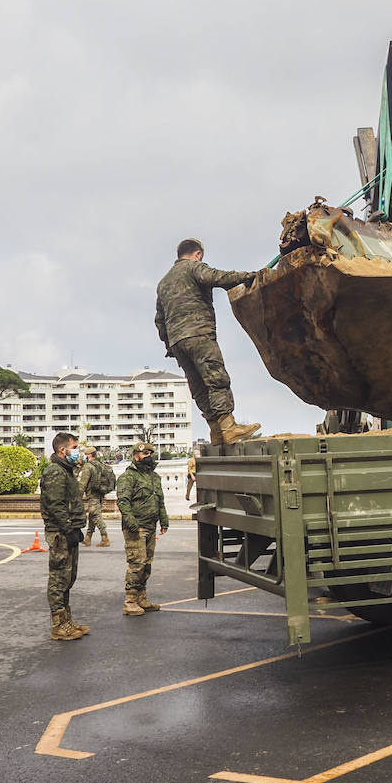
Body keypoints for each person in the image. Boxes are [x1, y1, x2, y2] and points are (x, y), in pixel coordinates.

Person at [155, 238, 261, 445]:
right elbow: (217, 277)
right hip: (199, 333)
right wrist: (248, 276)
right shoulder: (194, 267)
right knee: (216, 378)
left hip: (177, 342)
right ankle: (229, 428)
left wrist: (169, 344)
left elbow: (159, 319)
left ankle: (216, 432)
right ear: (198, 254)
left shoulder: (163, 283)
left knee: (199, 387)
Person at [40, 432, 90, 640]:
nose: (78, 451)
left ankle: (67, 621)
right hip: (60, 533)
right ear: (63, 450)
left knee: (68, 578)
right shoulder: (55, 472)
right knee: (59, 579)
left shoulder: (65, 471)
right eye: (75, 447)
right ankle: (59, 625)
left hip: (68, 530)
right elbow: (55, 504)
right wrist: (67, 529)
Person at [115, 441, 169, 616]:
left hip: (151, 526)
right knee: (136, 564)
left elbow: (160, 500)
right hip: (136, 528)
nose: (149, 456)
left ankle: (141, 597)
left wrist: (164, 520)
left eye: (150, 453)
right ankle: (130, 601)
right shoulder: (128, 477)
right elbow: (123, 502)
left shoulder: (154, 477)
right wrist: (133, 525)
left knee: (147, 565)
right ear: (136, 455)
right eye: (145, 453)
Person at [78, 445, 112, 547]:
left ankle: (105, 538)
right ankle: (88, 538)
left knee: (96, 516)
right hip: (100, 494)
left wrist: (77, 497)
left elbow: (83, 483)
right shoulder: (99, 465)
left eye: (85, 455)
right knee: (92, 515)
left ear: (89, 455)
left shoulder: (88, 467)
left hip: (93, 495)